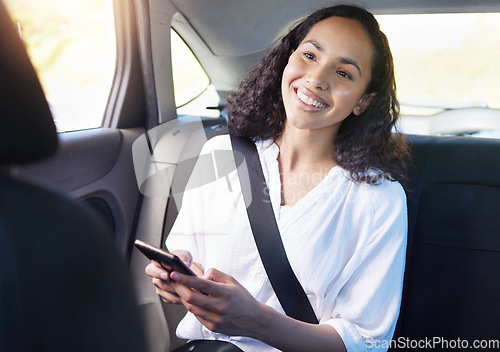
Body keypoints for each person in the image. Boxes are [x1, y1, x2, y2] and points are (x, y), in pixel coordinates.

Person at [146, 4, 410, 352]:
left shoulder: (379, 200)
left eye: (344, 73)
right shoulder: (221, 154)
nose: (316, 78)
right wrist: (174, 277)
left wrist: (256, 321)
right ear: (288, 59)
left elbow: (366, 342)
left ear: (363, 101)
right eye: (310, 55)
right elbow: (187, 256)